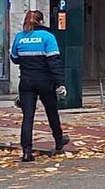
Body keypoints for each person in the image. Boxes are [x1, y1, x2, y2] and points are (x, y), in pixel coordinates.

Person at [10, 10, 67, 162]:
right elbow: (53, 62)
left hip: (26, 82)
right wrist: (60, 83)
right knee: (51, 112)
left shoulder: (19, 37)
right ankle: (59, 141)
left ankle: (27, 152)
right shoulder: (48, 37)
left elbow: (14, 58)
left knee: (28, 117)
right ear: (41, 21)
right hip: (45, 81)